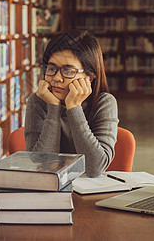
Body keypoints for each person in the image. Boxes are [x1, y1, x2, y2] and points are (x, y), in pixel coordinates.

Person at [24, 30, 119, 177]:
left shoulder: (104, 102)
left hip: (90, 191)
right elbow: (41, 165)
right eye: (51, 68)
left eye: (68, 71)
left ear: (89, 78)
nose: (56, 78)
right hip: (48, 191)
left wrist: (74, 108)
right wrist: (54, 108)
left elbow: (94, 169)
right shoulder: (38, 101)